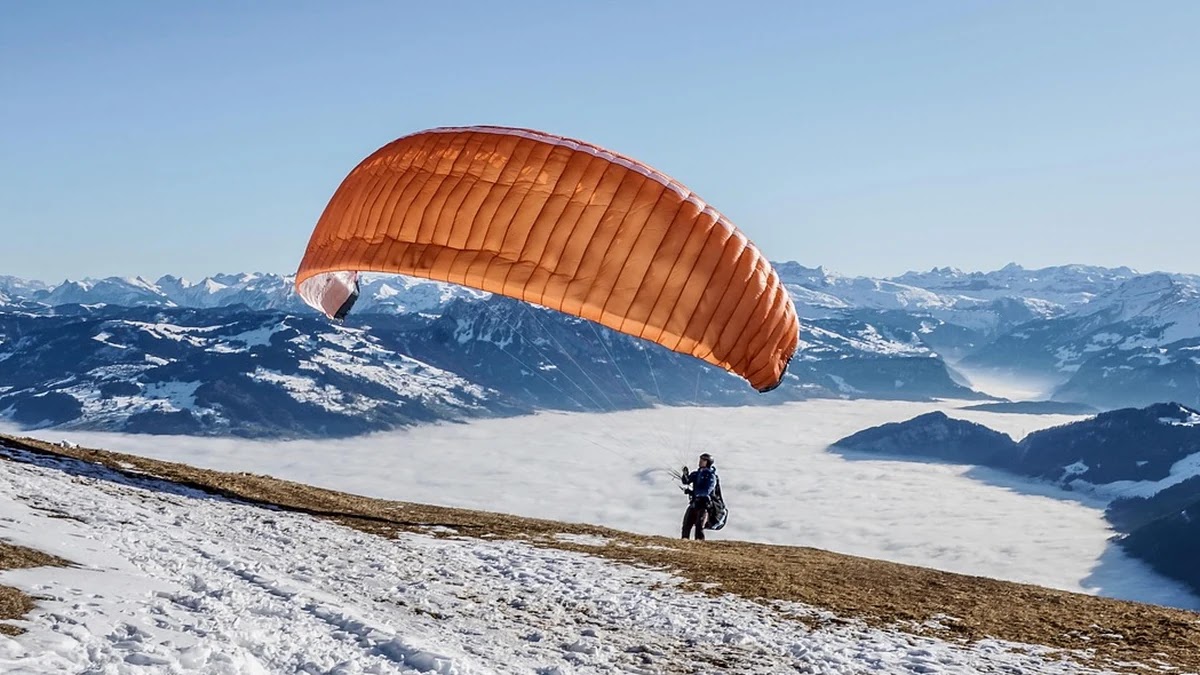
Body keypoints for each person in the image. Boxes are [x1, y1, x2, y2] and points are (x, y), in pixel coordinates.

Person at [680, 453, 719, 540]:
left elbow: (707, 491)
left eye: (703, 460)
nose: (700, 462)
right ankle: (684, 543)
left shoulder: (711, 476)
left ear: (708, 463)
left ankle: (700, 545)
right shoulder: (696, 474)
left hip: (704, 505)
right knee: (686, 524)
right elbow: (686, 481)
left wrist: (693, 492)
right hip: (694, 503)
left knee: (699, 526)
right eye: (700, 460)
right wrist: (685, 474)